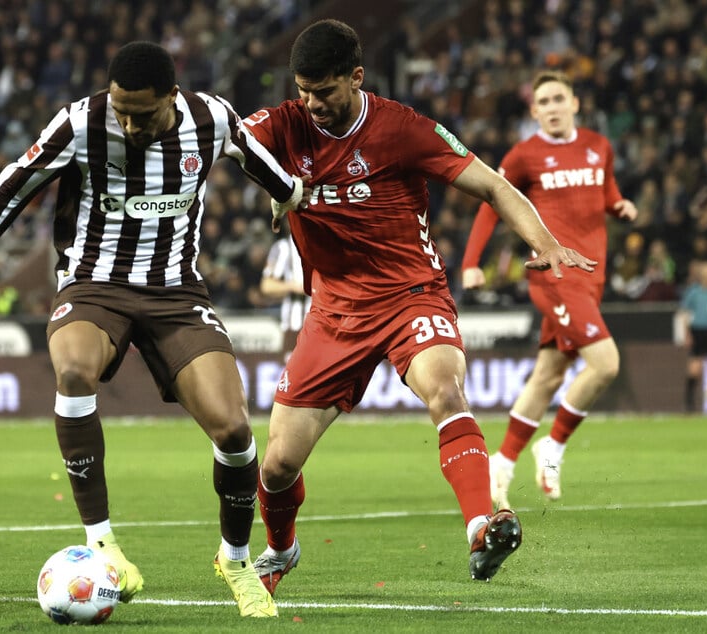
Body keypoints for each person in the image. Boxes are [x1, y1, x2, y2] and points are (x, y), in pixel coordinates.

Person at [0, 41, 306, 618]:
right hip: (92, 285)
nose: (128, 123)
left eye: (143, 113)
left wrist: (287, 199)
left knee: (232, 430)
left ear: (172, 98)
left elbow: (267, 166)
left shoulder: (211, 119)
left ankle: (235, 558)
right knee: (74, 371)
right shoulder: (80, 122)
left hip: (177, 292)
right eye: (121, 110)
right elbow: (14, 183)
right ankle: (102, 540)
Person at [240, 20, 595, 594]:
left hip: (411, 294)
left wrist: (545, 243)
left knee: (445, 389)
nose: (312, 104)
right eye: (303, 91)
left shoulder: (401, 128)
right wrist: (269, 181)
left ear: (356, 77)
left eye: (325, 92)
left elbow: (494, 186)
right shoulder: (284, 124)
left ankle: (482, 524)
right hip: (334, 313)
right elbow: (224, 137)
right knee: (277, 465)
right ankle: (281, 550)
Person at [461, 70, 638, 510]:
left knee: (549, 374)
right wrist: (470, 263)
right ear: (534, 111)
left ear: (575, 104)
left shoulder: (600, 147)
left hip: (591, 277)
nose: (553, 107)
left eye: (560, 98)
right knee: (606, 365)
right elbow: (491, 202)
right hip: (554, 275)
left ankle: (501, 462)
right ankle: (553, 446)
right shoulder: (525, 156)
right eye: (544, 101)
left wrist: (620, 207)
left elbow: (607, 193)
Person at [259, 217, 310, 360]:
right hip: (293, 327)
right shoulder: (283, 247)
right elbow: (266, 286)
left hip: (323, 325)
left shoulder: (323, 243)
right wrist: (294, 286)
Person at [677, 260, 707, 412]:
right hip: (697, 331)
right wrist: (687, 334)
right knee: (694, 368)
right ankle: (689, 403)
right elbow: (685, 313)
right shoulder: (694, 292)